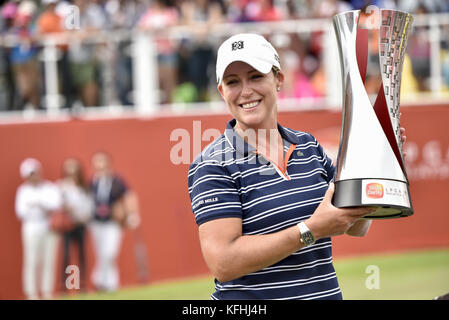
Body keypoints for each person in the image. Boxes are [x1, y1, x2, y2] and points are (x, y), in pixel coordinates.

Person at [187, 33, 406, 300]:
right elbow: (224, 263)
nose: (245, 91)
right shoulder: (213, 164)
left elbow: (355, 226)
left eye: (256, 76)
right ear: (222, 92)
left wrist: (372, 166)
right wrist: (311, 230)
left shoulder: (308, 145)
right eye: (233, 82)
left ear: (278, 79)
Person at [89, 151, 140, 292]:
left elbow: (129, 195)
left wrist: (132, 214)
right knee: (101, 253)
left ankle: (99, 278)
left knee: (110, 252)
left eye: (102, 161)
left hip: (113, 222)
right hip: (96, 222)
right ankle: (109, 284)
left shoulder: (117, 180)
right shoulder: (92, 181)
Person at [15, 158, 62, 299]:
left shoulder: (50, 187)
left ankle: (47, 292)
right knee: (32, 262)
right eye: (30, 174)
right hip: (31, 230)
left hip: (50, 230)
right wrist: (42, 206)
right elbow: (21, 212)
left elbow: (56, 204)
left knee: (49, 262)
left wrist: (37, 204)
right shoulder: (23, 191)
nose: (33, 176)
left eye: (35, 173)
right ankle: (32, 294)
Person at [58, 158, 94, 292]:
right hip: (67, 226)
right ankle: (67, 286)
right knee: (66, 255)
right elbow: (58, 203)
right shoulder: (61, 185)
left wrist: (83, 216)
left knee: (81, 255)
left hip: (81, 224)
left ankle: (81, 285)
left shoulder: (84, 187)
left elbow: (89, 205)